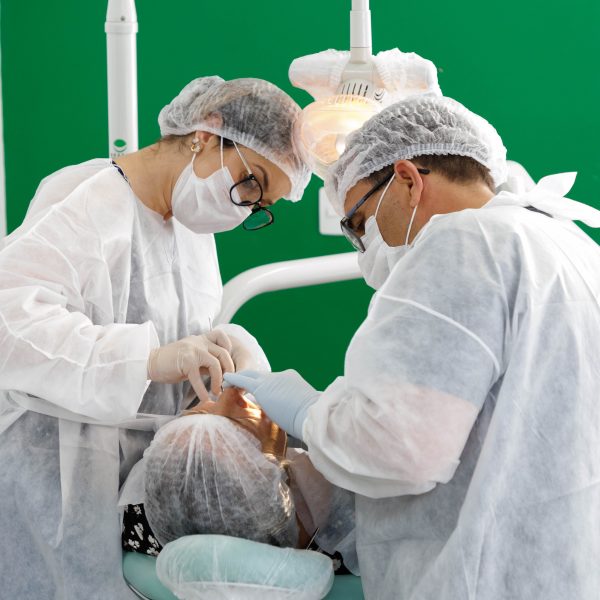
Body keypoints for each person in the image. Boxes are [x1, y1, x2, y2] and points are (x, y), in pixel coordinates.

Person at [225, 95, 600, 599]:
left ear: (406, 179)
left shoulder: (463, 244)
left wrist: (310, 413)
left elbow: (401, 450)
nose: (364, 251)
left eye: (359, 222)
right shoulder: (566, 242)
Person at [0, 76, 310, 599]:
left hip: (130, 478)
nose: (245, 207)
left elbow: (178, 344)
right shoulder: (86, 201)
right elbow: (10, 323)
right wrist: (146, 359)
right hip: (54, 473)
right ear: (207, 133)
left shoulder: (191, 230)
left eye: (260, 205)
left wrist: (219, 350)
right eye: (251, 183)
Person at [120, 386, 356, 575]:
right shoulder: (353, 537)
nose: (229, 394)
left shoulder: (146, 520)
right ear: (271, 485)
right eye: (236, 426)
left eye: (199, 414)